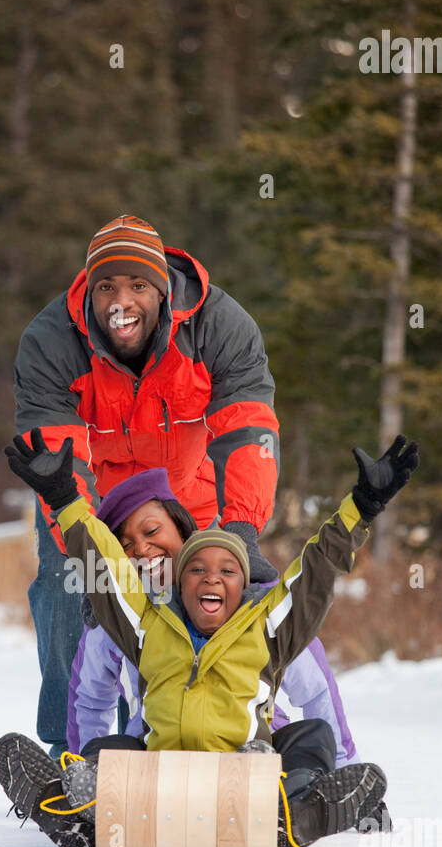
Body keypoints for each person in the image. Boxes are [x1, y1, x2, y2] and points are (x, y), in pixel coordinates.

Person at [0, 430, 419, 847]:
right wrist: (64, 498)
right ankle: (79, 813)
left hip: (247, 772)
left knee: (312, 735)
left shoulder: (267, 628)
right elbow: (106, 574)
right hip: (162, 776)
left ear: (246, 584)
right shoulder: (145, 625)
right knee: (107, 750)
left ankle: (291, 811)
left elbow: (317, 571)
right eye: (197, 569)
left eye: (227, 571)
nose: (211, 577)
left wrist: (362, 506)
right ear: (182, 579)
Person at [14, 214, 279, 756]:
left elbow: (248, 430)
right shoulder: (50, 342)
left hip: (193, 500)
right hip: (96, 507)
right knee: (70, 596)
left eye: (138, 286)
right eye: (106, 286)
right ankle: (74, 755)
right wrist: (91, 555)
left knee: (216, 606)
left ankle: (225, 741)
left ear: (162, 290)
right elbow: (59, 467)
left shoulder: (218, 326)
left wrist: (241, 531)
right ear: (89, 289)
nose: (121, 301)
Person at [66, 468, 361, 777]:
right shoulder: (119, 622)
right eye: (125, 545)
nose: (140, 549)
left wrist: (343, 771)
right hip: (160, 755)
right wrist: (80, 766)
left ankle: (301, 800)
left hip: (254, 748)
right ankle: (85, 799)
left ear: (181, 528)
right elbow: (89, 700)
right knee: (106, 752)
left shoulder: (258, 611)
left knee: (311, 739)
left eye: (151, 531)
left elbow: (315, 691)